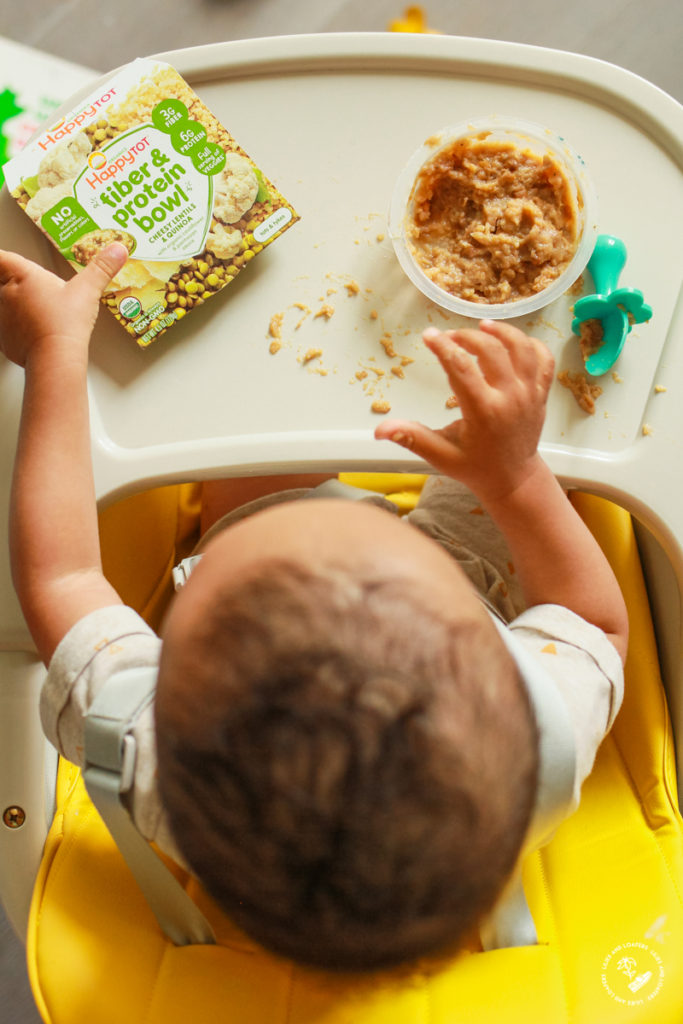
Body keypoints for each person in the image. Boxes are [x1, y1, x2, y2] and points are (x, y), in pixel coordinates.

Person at [0, 243, 627, 972]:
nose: (357, 518)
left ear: (169, 693)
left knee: (255, 446)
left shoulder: (161, 769)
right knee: (538, 390)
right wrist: (515, 477)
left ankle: (280, 527)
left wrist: (54, 349)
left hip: (370, 562)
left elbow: (64, 574)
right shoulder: (531, 748)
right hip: (468, 574)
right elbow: (593, 620)